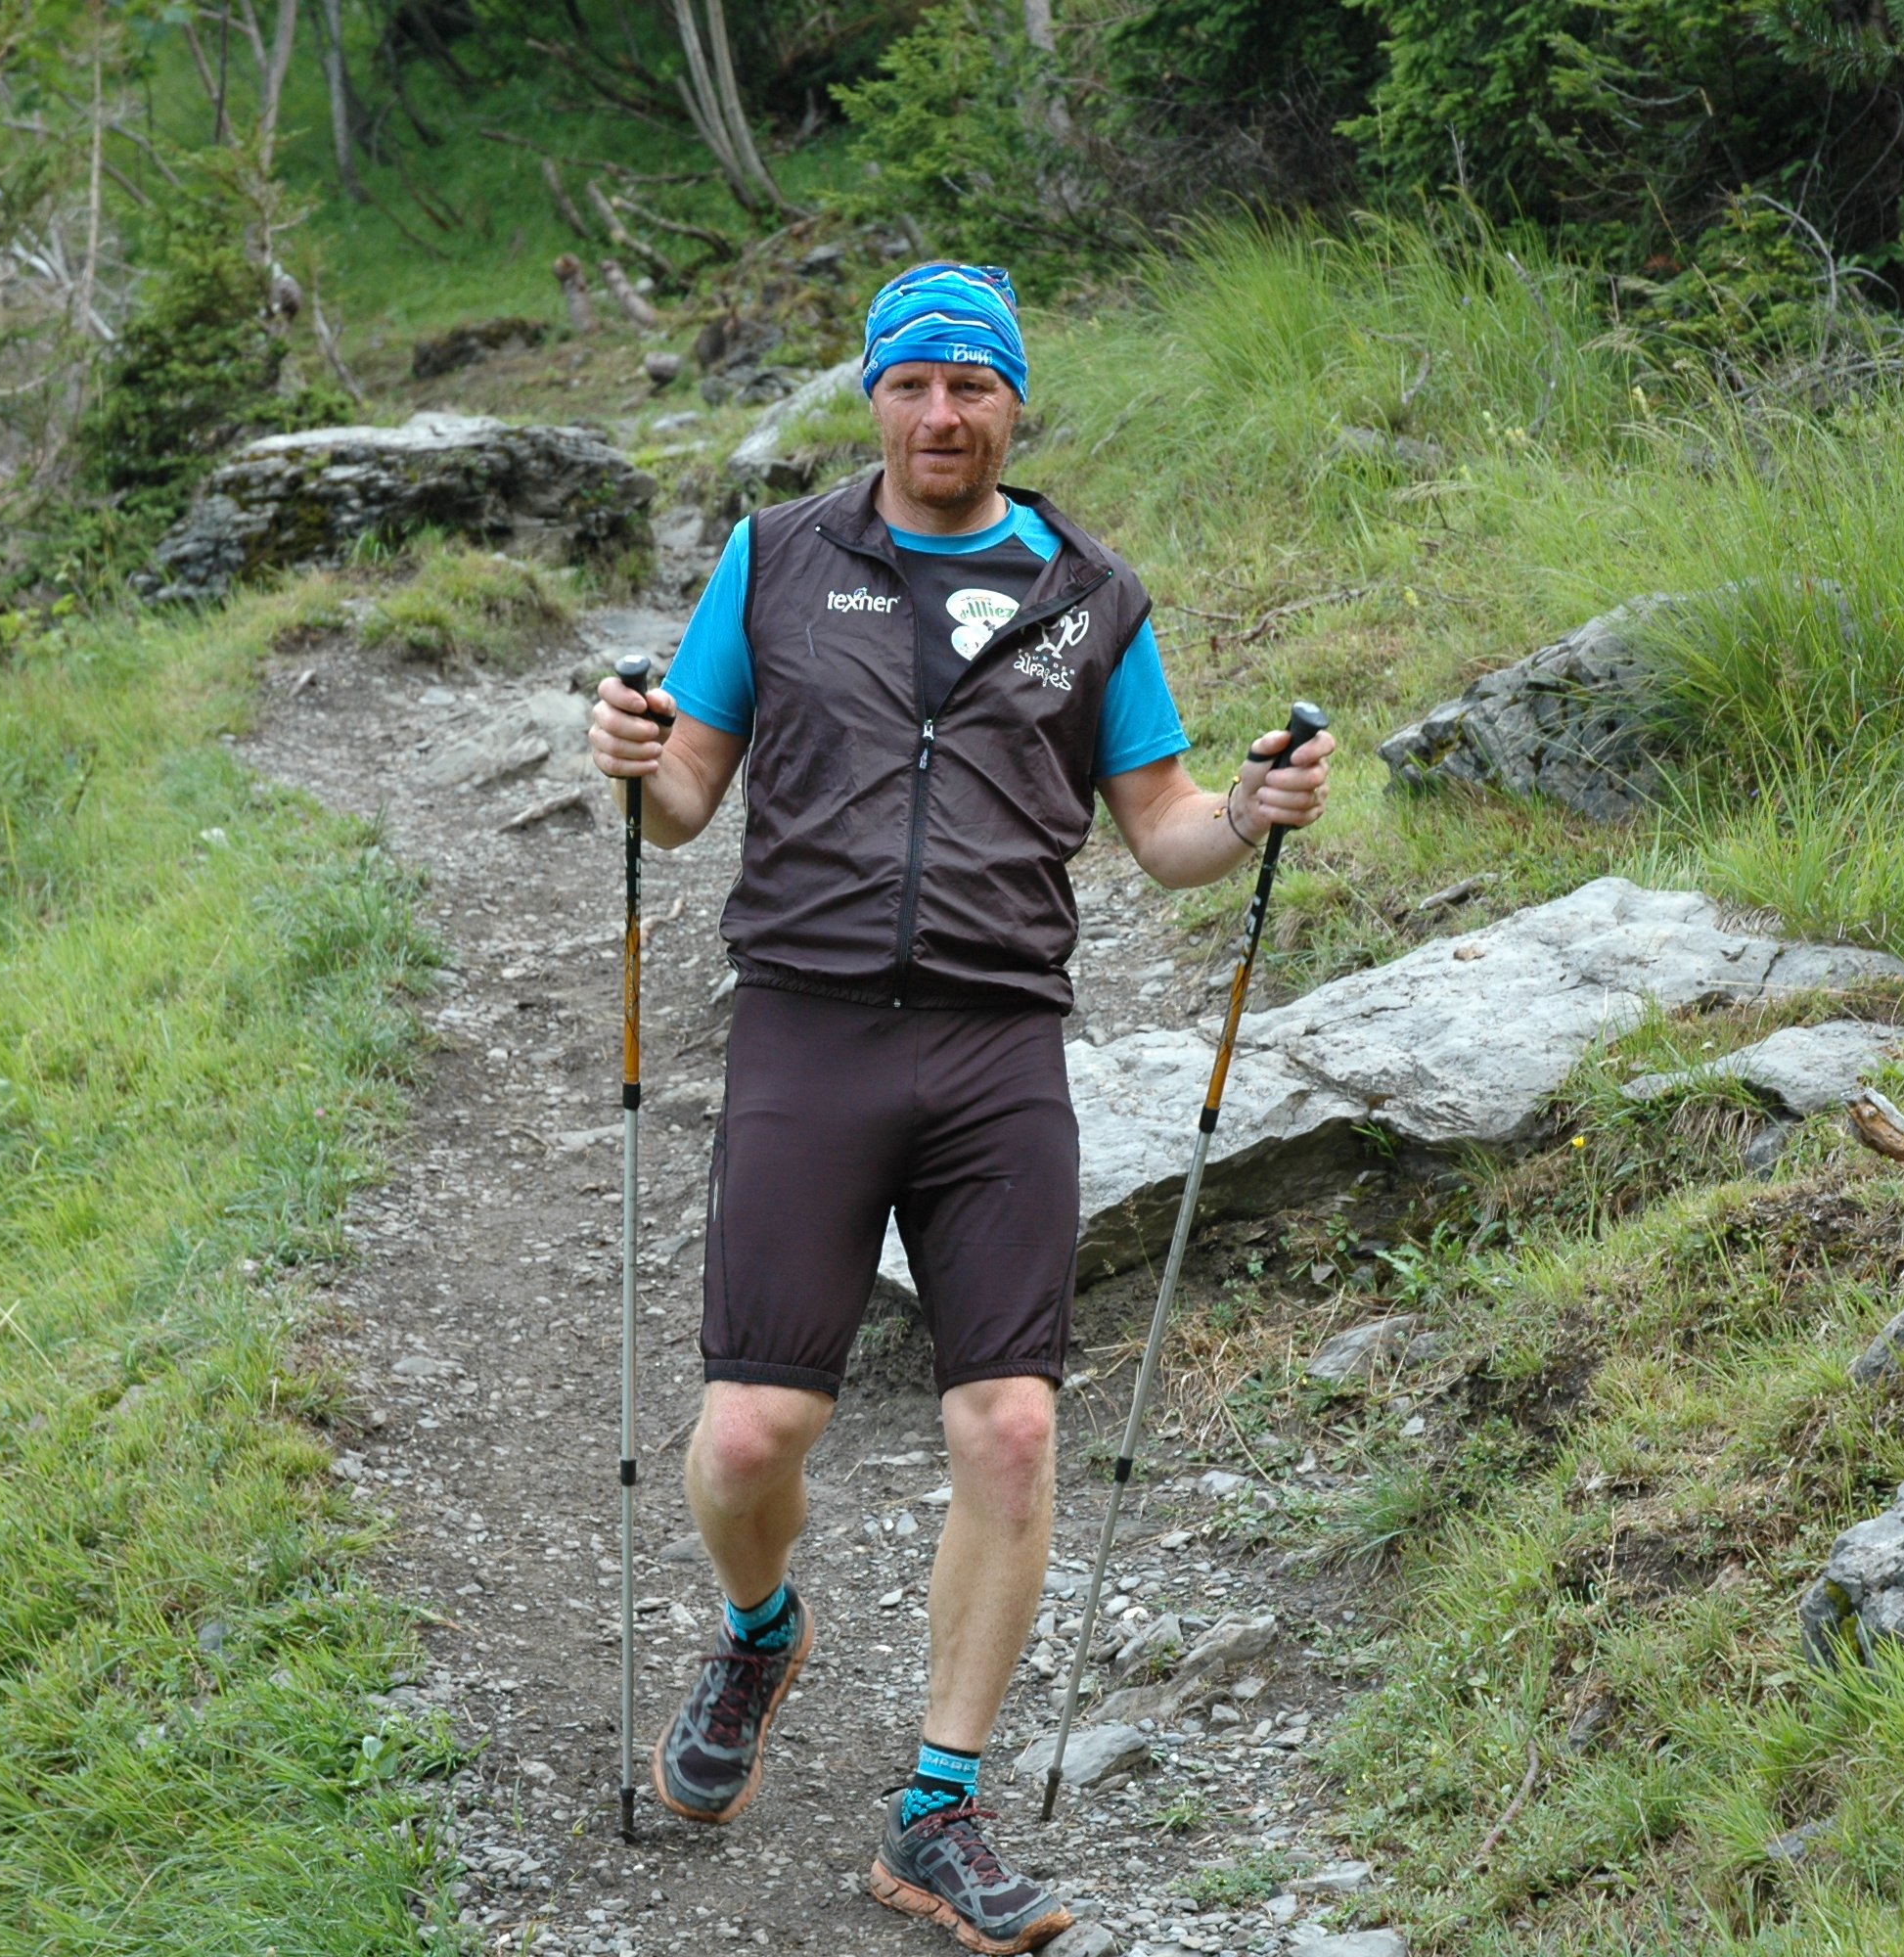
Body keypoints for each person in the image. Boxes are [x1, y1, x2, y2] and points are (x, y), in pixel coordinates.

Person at [586, 261, 1335, 1955]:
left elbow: (1167, 829)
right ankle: (760, 1631)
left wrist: (1252, 809)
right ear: (874, 397)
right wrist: (632, 751)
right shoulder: (777, 558)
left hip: (1000, 1047)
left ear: (1013, 405)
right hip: (809, 1030)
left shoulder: (1091, 596)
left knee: (1010, 1426)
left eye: (973, 386)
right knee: (749, 1438)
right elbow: (687, 796)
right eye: (914, 384)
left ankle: (938, 1808)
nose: (942, 414)